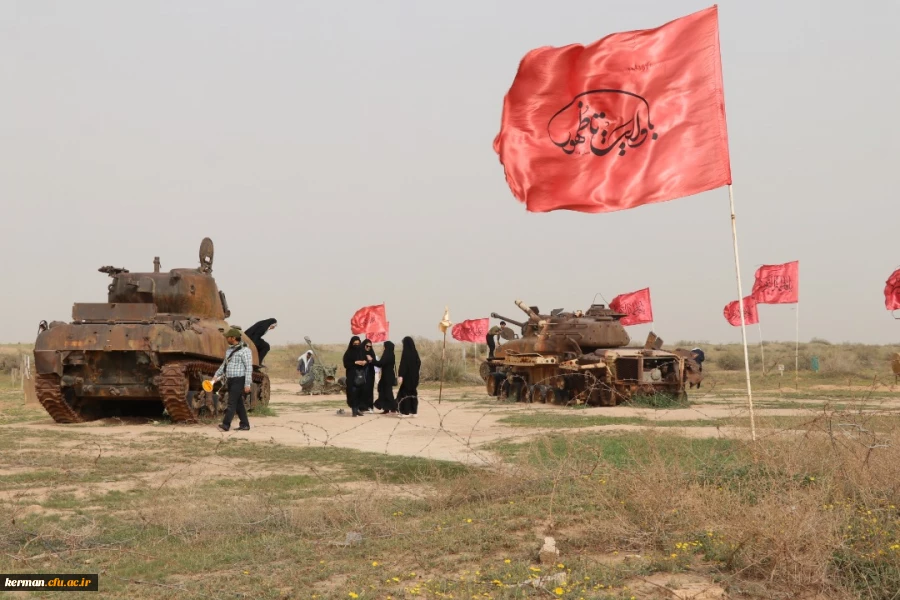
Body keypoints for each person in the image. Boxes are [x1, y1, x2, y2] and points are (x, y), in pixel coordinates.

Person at [213, 327, 253, 432]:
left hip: (239, 379)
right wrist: (216, 375)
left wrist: (247, 384)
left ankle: (226, 424)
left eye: (228, 337)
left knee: (231, 402)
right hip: (230, 379)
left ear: (233, 338)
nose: (226, 339)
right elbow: (224, 365)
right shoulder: (229, 350)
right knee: (238, 403)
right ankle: (245, 424)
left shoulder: (245, 351)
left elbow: (249, 367)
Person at [342, 336, 369, 417]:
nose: (357, 345)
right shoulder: (348, 353)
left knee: (360, 393)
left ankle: (357, 409)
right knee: (353, 393)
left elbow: (366, 361)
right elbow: (346, 364)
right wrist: (355, 363)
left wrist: (364, 362)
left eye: (358, 343)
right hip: (352, 376)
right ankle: (354, 410)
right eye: (355, 344)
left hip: (361, 376)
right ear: (351, 344)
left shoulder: (362, 352)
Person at [397, 336, 421, 417]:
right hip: (415, 377)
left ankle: (405, 411)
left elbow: (403, 365)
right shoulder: (415, 352)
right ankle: (414, 411)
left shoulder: (406, 352)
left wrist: (401, 375)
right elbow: (419, 363)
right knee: (413, 393)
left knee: (405, 394)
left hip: (407, 378)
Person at [373, 341, 397, 414]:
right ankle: (387, 408)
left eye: (384, 346)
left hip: (387, 376)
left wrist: (372, 361)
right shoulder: (391, 354)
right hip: (387, 376)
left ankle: (394, 407)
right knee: (384, 391)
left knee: (387, 392)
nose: (383, 348)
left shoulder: (386, 354)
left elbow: (380, 363)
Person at [361, 339, 377, 413]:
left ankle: (370, 406)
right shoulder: (360, 352)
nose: (368, 348)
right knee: (362, 390)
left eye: (370, 346)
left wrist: (370, 360)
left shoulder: (371, 353)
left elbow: (375, 362)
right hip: (362, 374)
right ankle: (362, 407)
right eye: (367, 346)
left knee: (370, 390)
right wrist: (366, 360)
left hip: (370, 374)